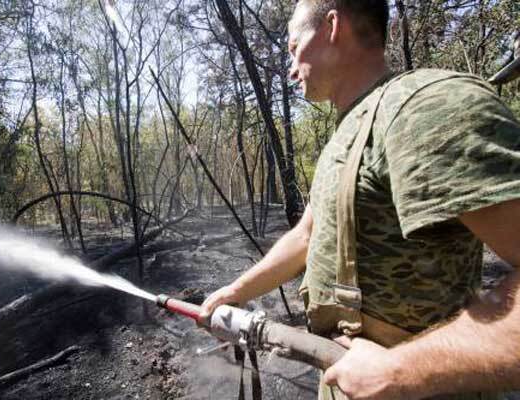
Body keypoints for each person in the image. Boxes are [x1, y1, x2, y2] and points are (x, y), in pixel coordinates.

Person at [200, 1, 520, 399]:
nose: (289, 66)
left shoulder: (422, 109)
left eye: (293, 45)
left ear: (333, 26)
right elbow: (306, 236)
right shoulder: (346, 134)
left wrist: (402, 370)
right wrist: (236, 291)